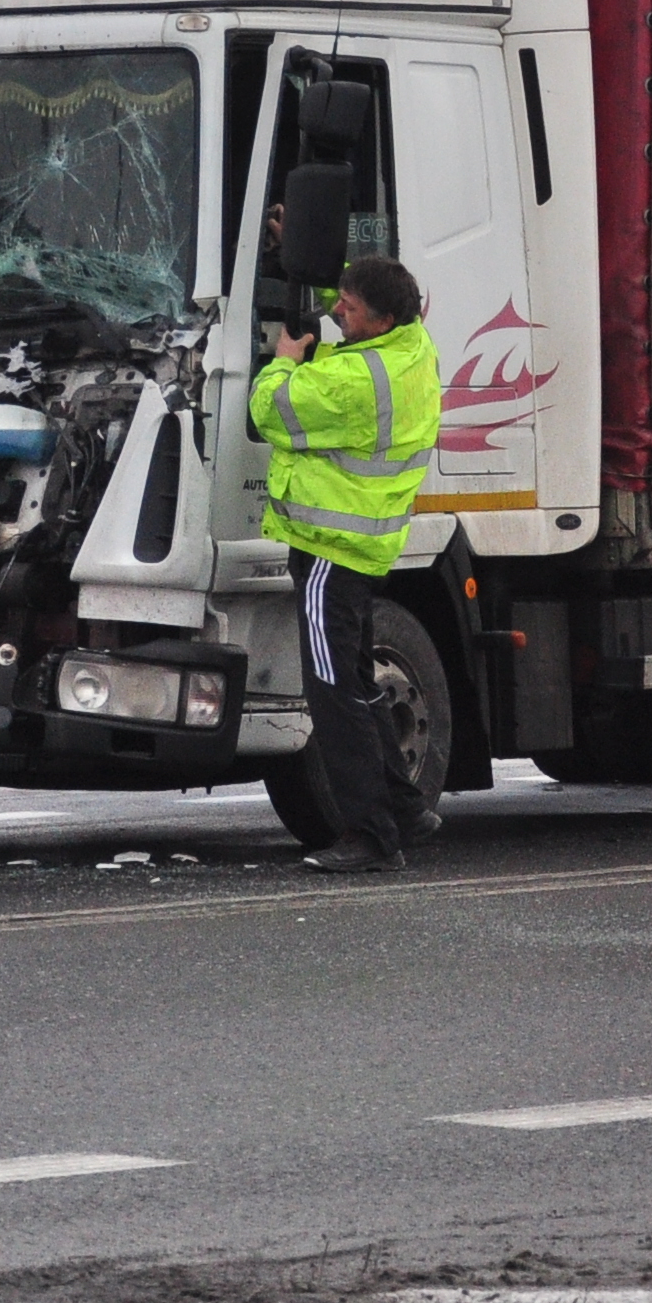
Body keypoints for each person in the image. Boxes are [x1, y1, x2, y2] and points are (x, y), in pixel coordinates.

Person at [250, 251, 441, 874]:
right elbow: (356, 328)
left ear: (382, 320)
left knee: (333, 693)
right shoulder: (412, 350)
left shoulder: (354, 382)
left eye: (348, 308)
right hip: (362, 547)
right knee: (356, 683)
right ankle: (406, 809)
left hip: (329, 551)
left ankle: (372, 836)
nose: (337, 310)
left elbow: (271, 411)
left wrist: (282, 362)